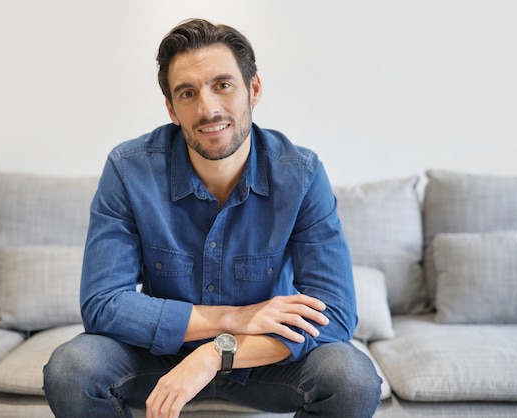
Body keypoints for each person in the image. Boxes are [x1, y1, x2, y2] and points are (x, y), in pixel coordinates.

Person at [43, 18, 381, 418]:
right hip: (161, 359)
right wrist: (234, 318)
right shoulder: (127, 170)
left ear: (253, 89)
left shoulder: (302, 174)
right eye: (187, 93)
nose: (208, 109)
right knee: (70, 368)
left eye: (223, 85)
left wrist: (214, 354)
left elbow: (335, 317)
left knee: (352, 378)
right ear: (171, 108)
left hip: (264, 360)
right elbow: (102, 305)